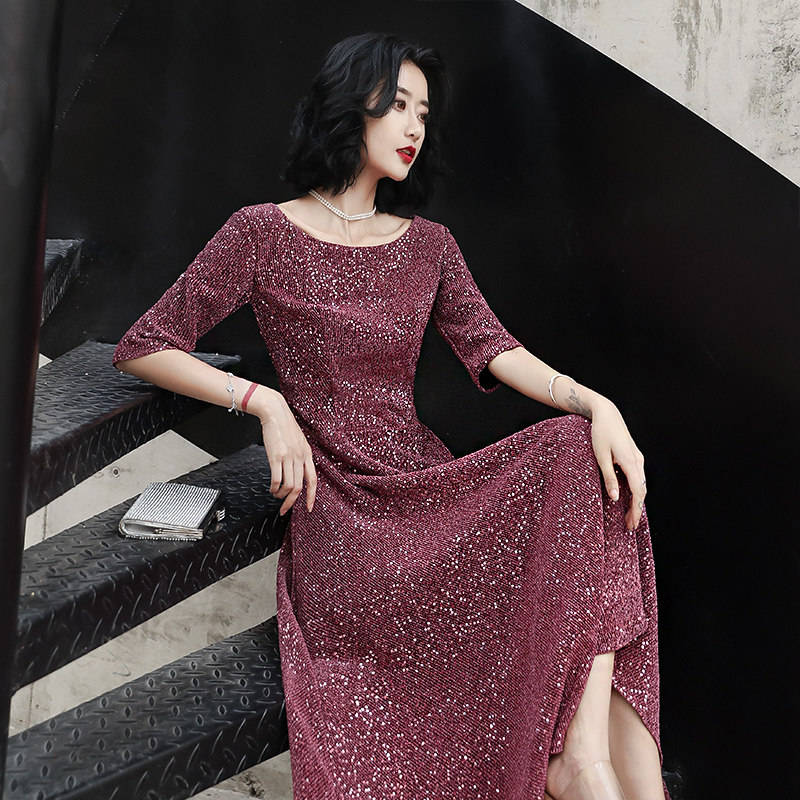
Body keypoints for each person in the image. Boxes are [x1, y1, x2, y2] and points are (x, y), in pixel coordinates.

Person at [113, 32, 669, 800]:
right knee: (593, 494)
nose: (414, 127)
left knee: (588, 457)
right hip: (343, 517)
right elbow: (144, 345)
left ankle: (586, 756)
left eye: (424, 114)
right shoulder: (261, 233)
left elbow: (498, 349)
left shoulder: (429, 247)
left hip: (428, 489)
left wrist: (599, 405)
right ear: (352, 105)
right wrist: (265, 401)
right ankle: (583, 764)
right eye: (398, 105)